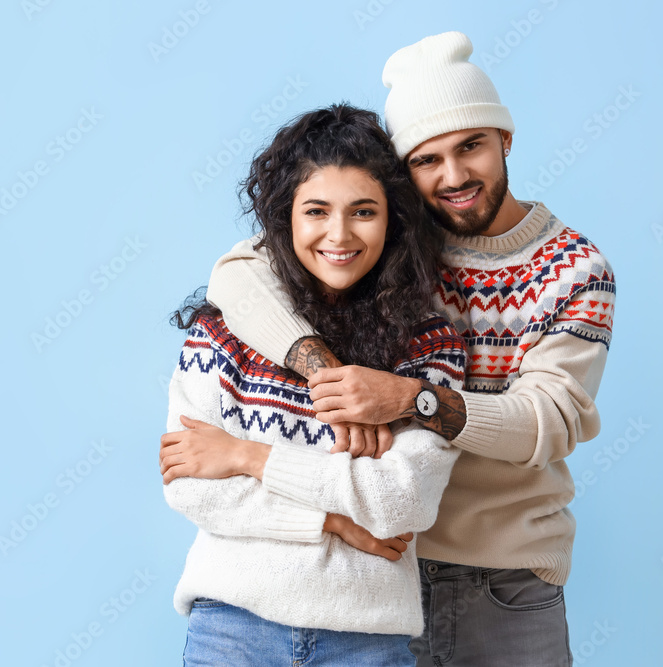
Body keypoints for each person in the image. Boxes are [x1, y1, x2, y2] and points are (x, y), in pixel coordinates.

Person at [204, 32, 617, 666]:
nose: (454, 176)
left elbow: (548, 422)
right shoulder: (391, 240)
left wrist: (408, 399)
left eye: (471, 146)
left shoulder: (576, 270)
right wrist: (329, 373)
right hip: (378, 565)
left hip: (502, 574)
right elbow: (238, 273)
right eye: (427, 160)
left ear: (505, 139)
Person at [160, 103, 468, 666]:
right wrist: (333, 521)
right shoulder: (224, 329)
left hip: (366, 641)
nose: (339, 234)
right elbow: (193, 487)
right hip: (233, 628)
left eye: (364, 212)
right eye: (317, 210)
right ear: (286, 218)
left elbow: (401, 501)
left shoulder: (428, 346)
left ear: (393, 220)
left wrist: (249, 456)